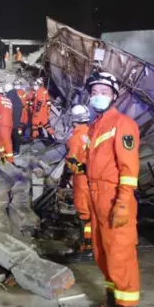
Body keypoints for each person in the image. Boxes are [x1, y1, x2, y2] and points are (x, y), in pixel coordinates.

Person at [85, 71, 140, 307]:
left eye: (104, 92)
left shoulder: (123, 124)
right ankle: (112, 304)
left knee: (120, 252)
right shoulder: (95, 126)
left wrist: (123, 202)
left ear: (114, 96)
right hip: (95, 194)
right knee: (101, 251)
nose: (98, 96)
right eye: (94, 92)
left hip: (112, 195)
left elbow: (129, 169)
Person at [65, 104, 93, 257]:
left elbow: (72, 163)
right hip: (95, 179)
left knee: (84, 214)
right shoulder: (92, 132)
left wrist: (64, 181)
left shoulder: (75, 139)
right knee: (93, 211)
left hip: (81, 180)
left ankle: (87, 246)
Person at [0, 85, 14, 163]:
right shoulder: (8, 100)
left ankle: (10, 160)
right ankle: (5, 157)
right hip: (9, 123)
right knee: (6, 140)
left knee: (5, 141)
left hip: (3, 123)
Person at [5, 82, 24, 155]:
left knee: (14, 134)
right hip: (17, 118)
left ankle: (16, 150)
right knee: (15, 133)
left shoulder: (10, 95)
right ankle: (16, 150)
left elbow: (7, 107)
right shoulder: (15, 95)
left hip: (13, 118)